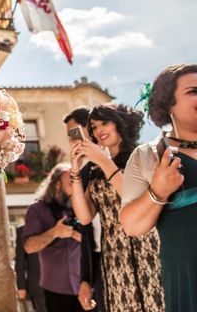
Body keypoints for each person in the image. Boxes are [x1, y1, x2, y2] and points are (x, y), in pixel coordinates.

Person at [69, 104, 164, 311]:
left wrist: (104, 161)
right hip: (113, 259)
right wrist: (75, 171)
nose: (99, 130)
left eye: (105, 122)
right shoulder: (95, 170)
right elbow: (84, 217)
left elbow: (137, 198)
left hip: (148, 252)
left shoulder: (141, 157)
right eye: (93, 127)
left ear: (119, 123)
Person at [121, 64, 197, 312]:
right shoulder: (147, 155)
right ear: (167, 104)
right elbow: (131, 226)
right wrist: (158, 192)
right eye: (193, 91)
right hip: (188, 279)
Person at [23, 163, 83, 312]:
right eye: (71, 182)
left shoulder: (83, 207)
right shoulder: (36, 210)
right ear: (56, 184)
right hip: (55, 289)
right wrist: (55, 232)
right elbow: (29, 247)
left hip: (87, 287)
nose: (76, 187)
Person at [63, 107, 105, 312]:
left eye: (75, 132)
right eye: (70, 136)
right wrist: (85, 280)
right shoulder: (84, 172)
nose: (72, 140)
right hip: (98, 262)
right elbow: (87, 228)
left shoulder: (122, 161)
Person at [15, 224, 46, 312]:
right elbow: (20, 261)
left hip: (62, 284)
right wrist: (21, 286)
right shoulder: (22, 231)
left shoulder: (56, 226)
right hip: (38, 285)